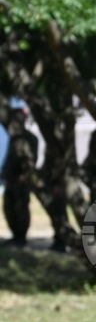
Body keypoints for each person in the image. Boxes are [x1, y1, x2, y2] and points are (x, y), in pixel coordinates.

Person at [1, 100, 37, 247]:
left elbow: (31, 159)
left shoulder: (29, 137)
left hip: (22, 179)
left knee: (21, 208)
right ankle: (15, 235)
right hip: (11, 178)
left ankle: (21, 237)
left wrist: (26, 174)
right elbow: (10, 157)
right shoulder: (13, 137)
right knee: (9, 207)